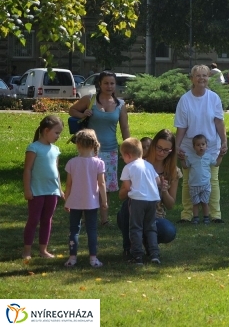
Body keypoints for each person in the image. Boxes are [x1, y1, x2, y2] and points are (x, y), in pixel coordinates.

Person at [175, 64, 228, 223]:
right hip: (189, 147)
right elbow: (181, 127)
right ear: (192, 79)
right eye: (198, 76)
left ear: (208, 78)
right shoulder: (185, 100)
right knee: (188, 181)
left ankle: (215, 214)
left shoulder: (214, 98)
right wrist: (177, 147)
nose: (201, 78)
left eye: (205, 75)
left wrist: (224, 141)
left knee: (212, 181)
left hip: (210, 147)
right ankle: (187, 214)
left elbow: (219, 123)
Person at [117, 129, 180, 258]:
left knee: (168, 231)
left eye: (166, 150)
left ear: (171, 151)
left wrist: (164, 191)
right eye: (159, 148)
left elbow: (171, 205)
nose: (161, 153)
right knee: (126, 209)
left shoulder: (173, 171)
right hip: (135, 211)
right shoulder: (138, 163)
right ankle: (129, 247)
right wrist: (131, 187)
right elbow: (122, 195)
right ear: (153, 144)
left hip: (155, 215)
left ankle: (146, 244)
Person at [69, 71, 131, 199]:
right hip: (89, 150)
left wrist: (128, 148)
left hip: (111, 150)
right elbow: (72, 110)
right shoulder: (90, 99)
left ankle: (104, 218)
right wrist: (83, 114)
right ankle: (88, 215)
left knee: (105, 187)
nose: (109, 86)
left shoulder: (120, 105)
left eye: (112, 83)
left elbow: (124, 128)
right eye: (106, 83)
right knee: (88, 185)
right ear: (99, 84)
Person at [22, 115, 64, 260]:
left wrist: (60, 188)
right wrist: (27, 189)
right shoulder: (34, 148)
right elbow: (27, 170)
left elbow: (56, 171)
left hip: (52, 191)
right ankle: (27, 250)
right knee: (33, 219)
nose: (58, 136)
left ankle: (43, 250)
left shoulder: (56, 149)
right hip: (37, 191)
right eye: (57, 132)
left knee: (47, 220)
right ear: (46, 131)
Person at [63, 129, 107, 268]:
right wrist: (104, 201)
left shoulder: (72, 162)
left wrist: (66, 200)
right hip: (91, 202)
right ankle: (93, 259)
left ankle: (72, 258)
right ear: (94, 145)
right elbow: (101, 184)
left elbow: (68, 184)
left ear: (78, 145)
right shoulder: (99, 163)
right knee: (92, 229)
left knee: (74, 229)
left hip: (74, 201)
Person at [119, 138, 161, 266]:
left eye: (123, 157)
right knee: (151, 227)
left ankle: (137, 255)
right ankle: (154, 254)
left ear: (127, 155)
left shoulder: (128, 167)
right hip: (152, 199)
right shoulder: (148, 165)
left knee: (136, 228)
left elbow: (127, 187)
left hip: (137, 200)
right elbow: (158, 181)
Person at [181, 134, 224, 224]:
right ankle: (195, 217)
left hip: (205, 185)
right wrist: (181, 159)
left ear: (206, 145)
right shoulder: (191, 157)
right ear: (194, 147)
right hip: (193, 185)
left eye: (203, 144)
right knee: (195, 203)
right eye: (198, 145)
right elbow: (185, 167)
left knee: (205, 202)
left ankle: (206, 217)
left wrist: (220, 156)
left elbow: (216, 164)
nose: (201, 146)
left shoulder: (208, 157)